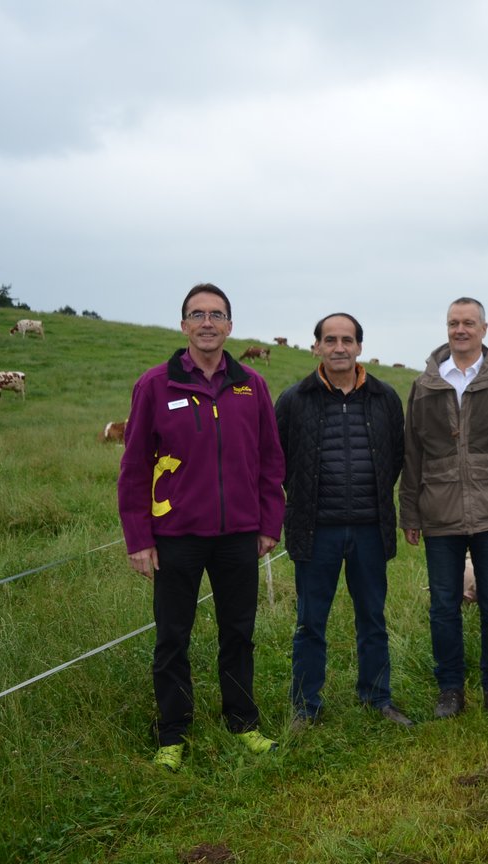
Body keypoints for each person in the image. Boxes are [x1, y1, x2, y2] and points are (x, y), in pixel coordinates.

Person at [118, 282, 285, 772]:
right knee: (173, 636)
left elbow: (270, 460)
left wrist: (268, 523)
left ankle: (243, 723)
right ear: (184, 325)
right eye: (197, 314)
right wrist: (139, 538)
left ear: (230, 326)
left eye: (216, 314)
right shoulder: (156, 384)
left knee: (238, 632)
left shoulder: (250, 384)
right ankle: (172, 733)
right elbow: (133, 469)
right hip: (176, 538)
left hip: (238, 536)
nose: (207, 322)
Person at [399, 297, 488, 720]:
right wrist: (410, 513)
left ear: (484, 329)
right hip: (439, 511)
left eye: (469, 323)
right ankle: (450, 689)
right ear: (447, 328)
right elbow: (412, 453)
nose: (461, 330)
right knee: (444, 605)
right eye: (454, 323)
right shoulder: (425, 385)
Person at [275, 313, 411, 729]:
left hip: (370, 529)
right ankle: (306, 707)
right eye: (329, 339)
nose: (339, 347)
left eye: (347, 340)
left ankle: (377, 697)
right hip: (316, 531)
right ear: (316, 346)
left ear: (359, 347)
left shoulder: (384, 398)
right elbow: (278, 461)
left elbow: (395, 458)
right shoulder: (294, 399)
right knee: (310, 622)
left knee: (372, 618)